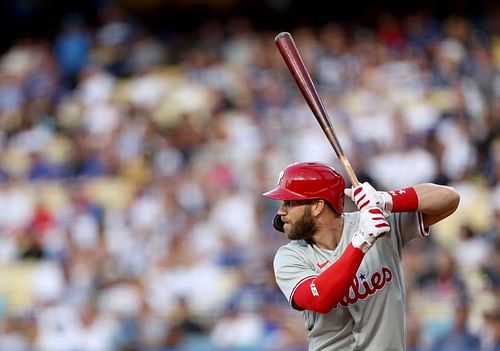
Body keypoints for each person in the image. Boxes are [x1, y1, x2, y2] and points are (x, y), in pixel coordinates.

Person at [262, 161, 460, 351]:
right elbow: (319, 299)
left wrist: (387, 200)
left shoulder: (373, 221)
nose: (281, 211)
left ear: (317, 206)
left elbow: (449, 198)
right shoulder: (289, 256)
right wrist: (360, 242)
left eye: (289, 202)